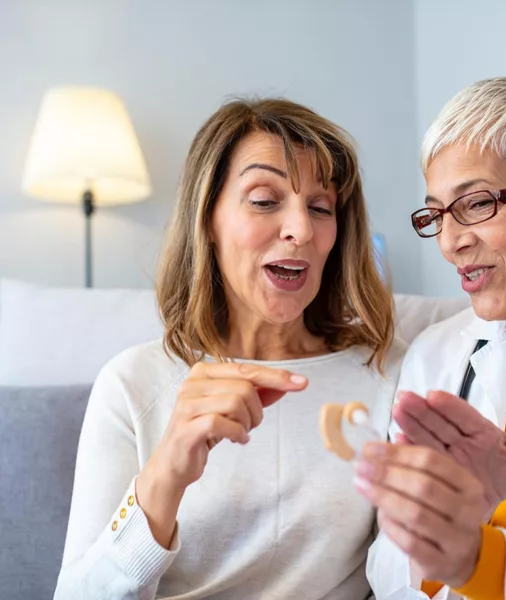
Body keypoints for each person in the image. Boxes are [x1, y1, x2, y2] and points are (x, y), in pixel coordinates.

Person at [54, 98, 403, 599]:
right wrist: (164, 479)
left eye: (321, 207)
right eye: (264, 200)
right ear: (208, 220)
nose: (301, 230)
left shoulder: (390, 373)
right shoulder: (133, 383)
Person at [356, 77, 506, 599]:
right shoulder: (438, 356)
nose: (449, 242)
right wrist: (440, 529)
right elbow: (391, 568)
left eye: (477, 204)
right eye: (437, 214)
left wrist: (479, 556)